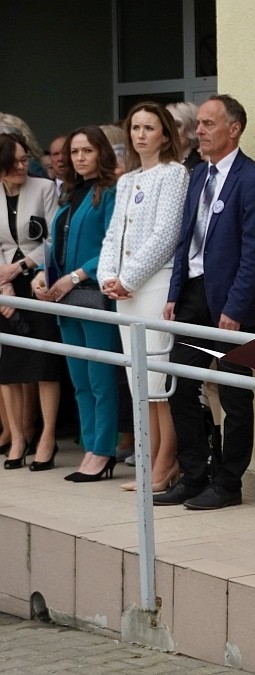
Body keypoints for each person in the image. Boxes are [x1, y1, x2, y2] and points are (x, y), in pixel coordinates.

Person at [155, 94, 255, 510]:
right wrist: (174, 294)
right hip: (192, 296)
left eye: (207, 124)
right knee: (180, 386)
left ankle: (228, 482)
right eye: (199, 124)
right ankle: (193, 474)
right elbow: (185, 240)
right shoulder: (197, 176)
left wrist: (236, 308)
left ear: (234, 128)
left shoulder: (254, 179)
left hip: (230, 306)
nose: (199, 131)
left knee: (236, 396)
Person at [97, 101, 189, 492]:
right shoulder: (127, 179)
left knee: (156, 380)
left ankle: (168, 463)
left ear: (165, 134)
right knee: (138, 381)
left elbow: (166, 234)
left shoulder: (175, 174)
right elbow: (114, 233)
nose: (140, 135)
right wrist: (107, 277)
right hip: (125, 289)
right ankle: (149, 462)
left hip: (153, 284)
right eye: (135, 127)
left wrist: (130, 277)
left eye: (149, 128)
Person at [32, 126, 122, 481]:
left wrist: (76, 275)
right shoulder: (70, 194)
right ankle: (90, 447)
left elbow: (112, 248)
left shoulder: (110, 192)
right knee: (80, 380)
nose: (80, 158)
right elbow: (57, 243)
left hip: (93, 293)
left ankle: (103, 451)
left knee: (100, 378)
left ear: (101, 152)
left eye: (87, 151)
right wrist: (42, 272)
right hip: (63, 297)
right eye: (75, 152)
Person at [0, 132, 64, 471]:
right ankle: (18, 439)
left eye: (26, 159)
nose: (25, 165)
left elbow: (54, 239)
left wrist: (21, 267)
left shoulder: (44, 188)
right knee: (9, 368)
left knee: (43, 364)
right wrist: (3, 287)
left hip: (39, 279)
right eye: (17, 160)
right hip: (3, 287)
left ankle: (47, 437)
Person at [167, 101, 203, 173]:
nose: (170, 131)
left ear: (192, 129)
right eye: (167, 125)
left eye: (177, 125)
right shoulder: (157, 164)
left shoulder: (201, 167)